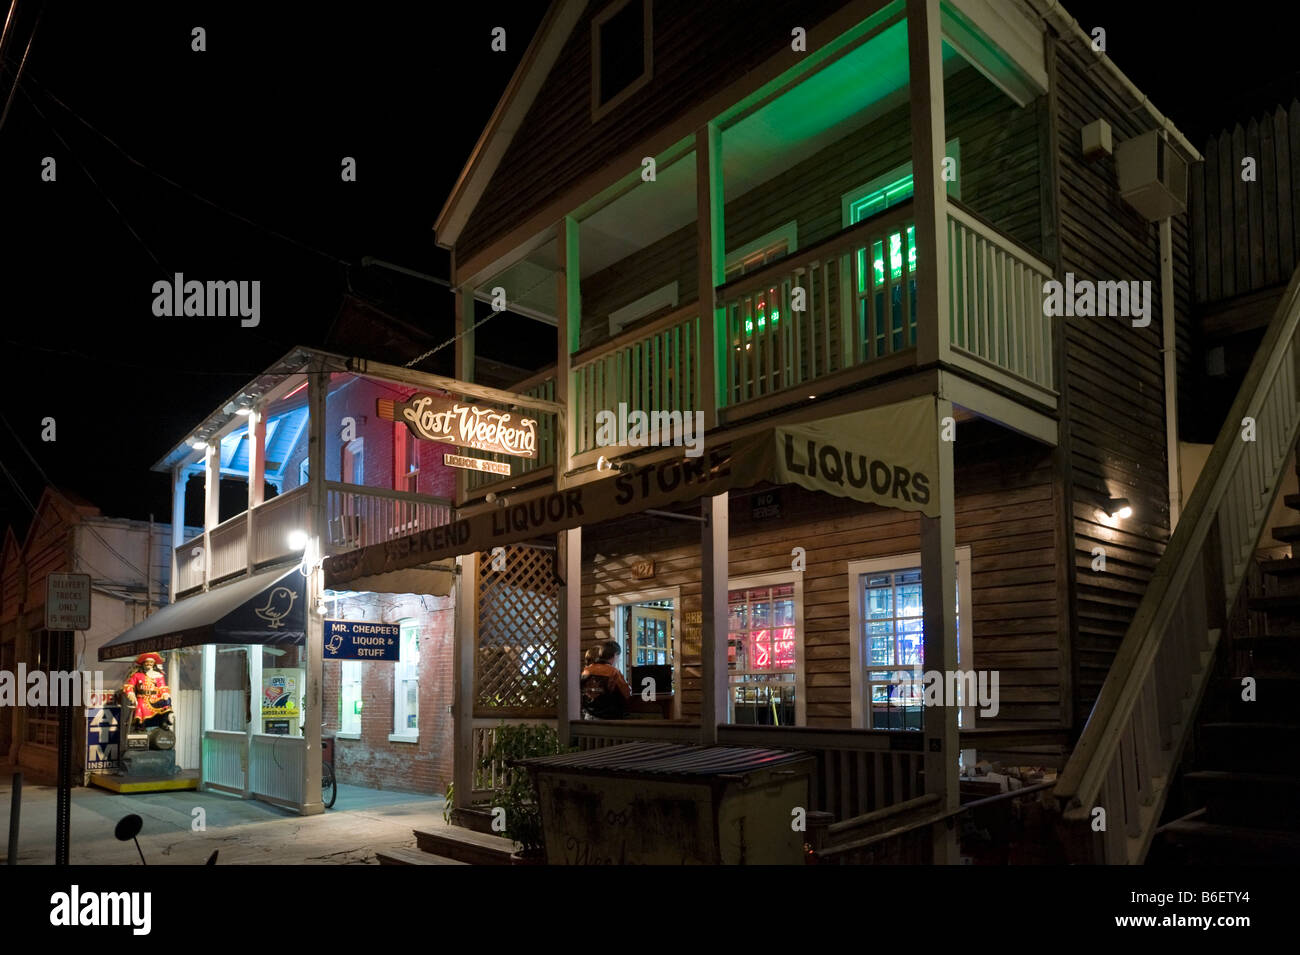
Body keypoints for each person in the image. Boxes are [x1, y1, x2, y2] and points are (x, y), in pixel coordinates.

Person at [581, 640, 631, 719]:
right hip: (608, 718)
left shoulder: (586, 670)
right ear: (615, 655)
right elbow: (626, 694)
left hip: (588, 716)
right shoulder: (613, 672)